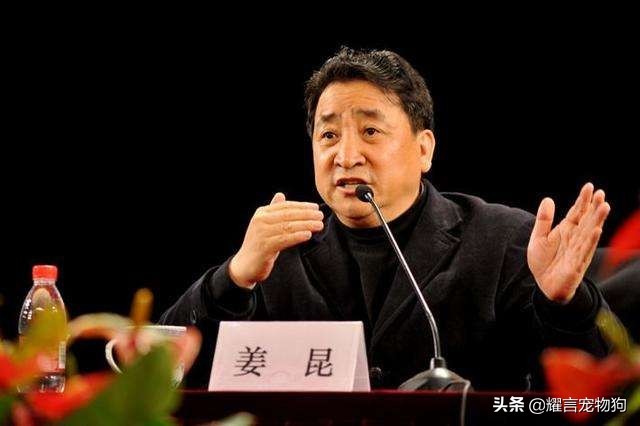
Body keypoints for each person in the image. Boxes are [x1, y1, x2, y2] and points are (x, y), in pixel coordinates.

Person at [160, 47, 611, 390]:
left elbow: (599, 397)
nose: (346, 155)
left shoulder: (503, 240)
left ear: (424, 149)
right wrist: (232, 279)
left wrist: (565, 304)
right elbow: (160, 376)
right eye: (328, 134)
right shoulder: (278, 252)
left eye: (370, 131)